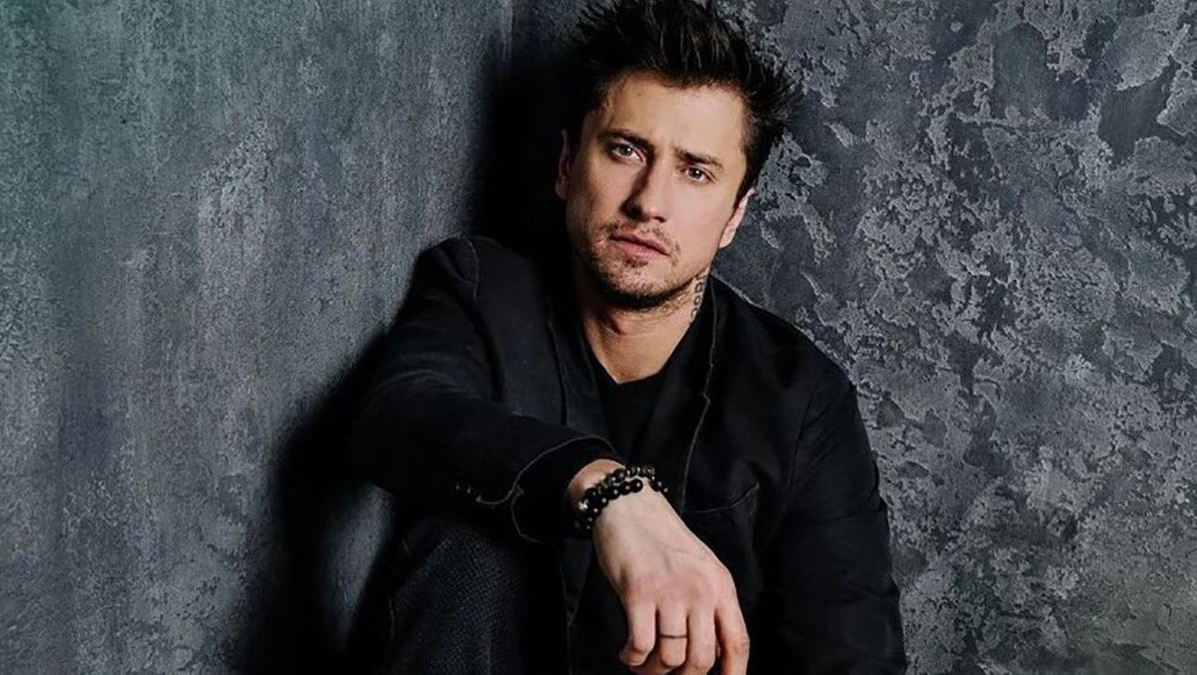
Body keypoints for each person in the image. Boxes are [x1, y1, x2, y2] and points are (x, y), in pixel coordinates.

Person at [347, 0, 907, 672]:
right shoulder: (481, 291)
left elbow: (854, 656)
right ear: (566, 165)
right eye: (625, 150)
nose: (649, 202)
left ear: (735, 214)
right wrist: (607, 490)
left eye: (695, 171)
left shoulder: (801, 401)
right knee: (467, 538)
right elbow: (396, 414)